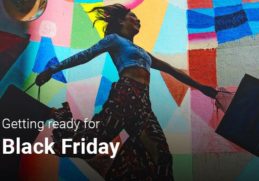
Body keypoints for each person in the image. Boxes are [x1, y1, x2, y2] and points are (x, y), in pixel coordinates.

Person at [36, 4, 218, 180]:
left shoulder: (144, 53)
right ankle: (60, 116)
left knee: (162, 156)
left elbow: (172, 70)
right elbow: (86, 55)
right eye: (133, 17)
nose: (138, 20)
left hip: (143, 103)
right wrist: (52, 70)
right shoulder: (115, 40)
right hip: (125, 95)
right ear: (121, 22)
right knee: (90, 142)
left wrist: (202, 88)